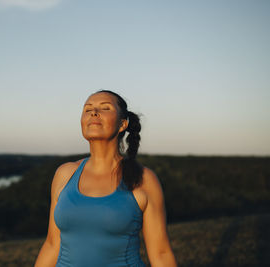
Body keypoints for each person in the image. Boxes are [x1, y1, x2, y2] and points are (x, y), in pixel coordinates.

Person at [34, 90, 177, 267]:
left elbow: (161, 253)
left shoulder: (144, 179)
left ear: (122, 124)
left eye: (105, 108)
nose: (94, 112)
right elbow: (52, 244)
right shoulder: (65, 174)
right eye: (88, 109)